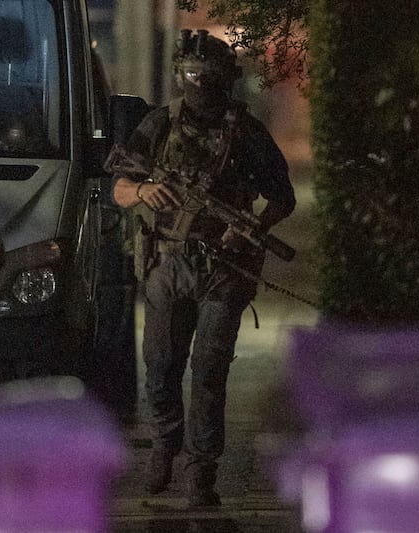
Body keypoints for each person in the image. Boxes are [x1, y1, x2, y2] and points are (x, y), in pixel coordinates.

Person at [111, 28, 296, 508]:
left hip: (224, 268)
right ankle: (165, 449)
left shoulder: (245, 132)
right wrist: (144, 191)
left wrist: (248, 227)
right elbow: (120, 187)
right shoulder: (160, 124)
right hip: (168, 263)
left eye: (203, 76)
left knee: (210, 372)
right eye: (190, 74)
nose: (196, 84)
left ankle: (200, 470)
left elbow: (282, 198)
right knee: (161, 368)